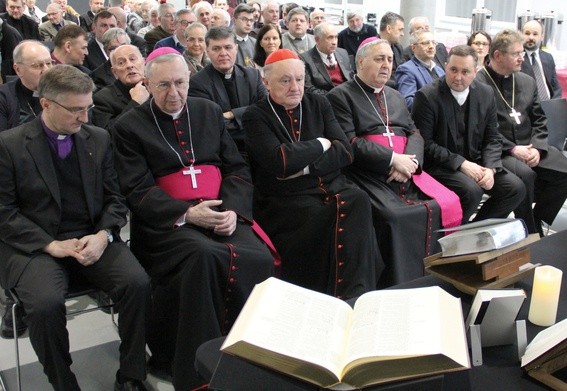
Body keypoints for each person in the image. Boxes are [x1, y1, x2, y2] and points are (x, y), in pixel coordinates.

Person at [112, 49, 274, 390]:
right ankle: (199, 368)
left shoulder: (208, 111)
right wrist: (186, 213)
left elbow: (236, 167)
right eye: (164, 85)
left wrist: (233, 209)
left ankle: (254, 359)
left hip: (220, 211)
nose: (174, 94)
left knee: (257, 256)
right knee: (204, 256)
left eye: (181, 83)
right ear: (147, 84)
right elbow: (136, 189)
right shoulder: (128, 126)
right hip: (167, 223)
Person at [0, 64, 151, 391]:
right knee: (44, 305)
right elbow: (4, 213)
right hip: (39, 246)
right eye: (76, 110)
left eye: (88, 108)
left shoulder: (97, 138)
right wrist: (50, 246)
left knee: (137, 283)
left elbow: (115, 198)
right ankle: (63, 381)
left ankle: (131, 374)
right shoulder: (9, 145)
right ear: (46, 104)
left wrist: (104, 235)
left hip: (91, 236)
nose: (84, 118)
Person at [243, 48, 382, 296]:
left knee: (358, 200)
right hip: (285, 199)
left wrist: (306, 167)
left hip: (330, 186)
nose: (295, 87)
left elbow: (345, 152)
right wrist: (321, 143)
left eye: (299, 79)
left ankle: (358, 291)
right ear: (266, 82)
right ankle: (320, 294)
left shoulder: (318, 102)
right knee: (321, 213)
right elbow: (280, 162)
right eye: (285, 80)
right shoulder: (256, 116)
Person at [327, 38, 462, 287]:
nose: (386, 65)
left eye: (389, 59)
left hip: (406, 169)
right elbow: (350, 142)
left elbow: (415, 133)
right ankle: (397, 284)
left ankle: (435, 279)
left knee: (447, 203)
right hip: (368, 173)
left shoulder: (395, 95)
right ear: (360, 62)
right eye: (379, 59)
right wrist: (392, 160)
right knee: (395, 217)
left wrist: (410, 164)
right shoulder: (340, 96)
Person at [412, 45, 525, 223]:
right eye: (453, 70)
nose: (458, 77)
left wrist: (490, 168)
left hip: (478, 161)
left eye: (465, 72)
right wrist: (461, 164)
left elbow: (493, 138)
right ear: (446, 66)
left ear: (475, 71)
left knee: (515, 188)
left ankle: (476, 230)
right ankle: (450, 236)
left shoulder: (486, 93)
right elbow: (425, 144)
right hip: (441, 165)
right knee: (472, 191)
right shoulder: (426, 97)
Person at [476, 29, 567, 235]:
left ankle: (538, 217)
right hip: (500, 150)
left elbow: (540, 119)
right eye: (516, 54)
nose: (521, 58)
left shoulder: (526, 81)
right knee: (525, 176)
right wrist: (513, 149)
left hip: (531, 146)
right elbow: (480, 129)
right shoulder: (478, 84)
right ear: (498, 55)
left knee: (564, 171)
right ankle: (529, 231)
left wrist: (538, 148)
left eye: (522, 53)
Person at [189, 26, 266, 156]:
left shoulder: (253, 75)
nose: (223, 53)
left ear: (236, 48)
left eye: (228, 47)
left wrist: (231, 114)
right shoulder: (197, 83)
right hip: (223, 151)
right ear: (207, 51)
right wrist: (249, 115)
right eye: (216, 48)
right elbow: (211, 123)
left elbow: (265, 110)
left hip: (257, 146)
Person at [92, 44, 148, 130]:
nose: (129, 65)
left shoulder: (157, 86)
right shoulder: (102, 99)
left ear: (144, 62)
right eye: (121, 63)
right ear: (114, 72)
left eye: (133, 59)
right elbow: (109, 133)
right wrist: (135, 103)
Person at [0, 40, 51, 131]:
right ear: (18, 70)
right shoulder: (3, 97)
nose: (46, 70)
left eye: (49, 63)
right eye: (37, 65)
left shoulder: (63, 91)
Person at [395, 30, 445, 110]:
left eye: (433, 42)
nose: (431, 46)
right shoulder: (407, 69)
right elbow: (407, 102)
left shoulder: (440, 71)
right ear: (413, 47)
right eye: (426, 43)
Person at [300, 22, 353, 95]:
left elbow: (351, 78)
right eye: (330, 37)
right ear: (317, 40)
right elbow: (309, 89)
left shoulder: (342, 53)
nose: (334, 42)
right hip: (326, 100)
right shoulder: (305, 59)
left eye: (336, 37)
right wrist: (336, 97)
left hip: (348, 96)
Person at [521, 20, 562, 100]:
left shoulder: (548, 57)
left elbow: (556, 88)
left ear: (542, 36)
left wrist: (554, 106)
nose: (531, 37)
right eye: (527, 33)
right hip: (529, 107)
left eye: (535, 34)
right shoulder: (517, 58)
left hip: (550, 106)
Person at [378, 11, 405, 88]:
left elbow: (402, 71)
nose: (402, 34)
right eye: (400, 30)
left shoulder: (398, 48)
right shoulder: (372, 48)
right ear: (389, 29)